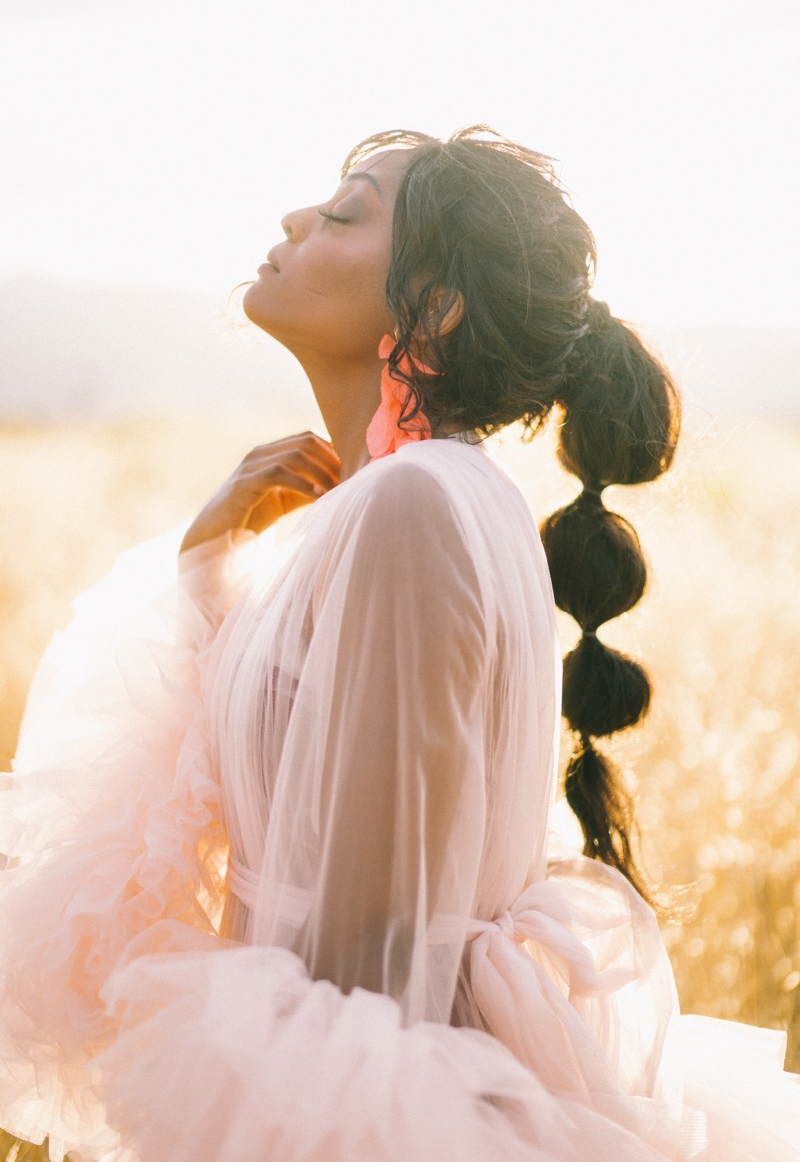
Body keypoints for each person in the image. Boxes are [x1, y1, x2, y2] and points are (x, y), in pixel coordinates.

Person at [0, 127, 798, 1162]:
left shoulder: (415, 505)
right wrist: (210, 569)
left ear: (434, 308)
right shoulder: (407, 500)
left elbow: (372, 959)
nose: (293, 223)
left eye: (342, 214)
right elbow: (288, 787)